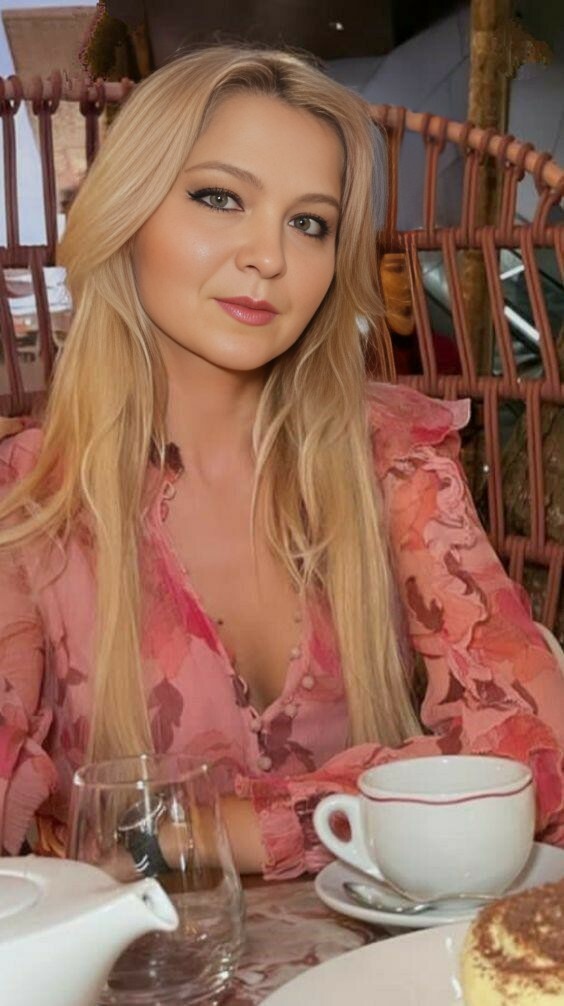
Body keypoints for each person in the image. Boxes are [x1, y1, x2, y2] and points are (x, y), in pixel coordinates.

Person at [1, 46, 563, 879]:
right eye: (219, 198)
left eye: (309, 224)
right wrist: (373, 802)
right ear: (129, 212)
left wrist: (205, 833)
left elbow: (533, 752)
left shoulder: (391, 457)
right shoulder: (26, 505)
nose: (269, 256)